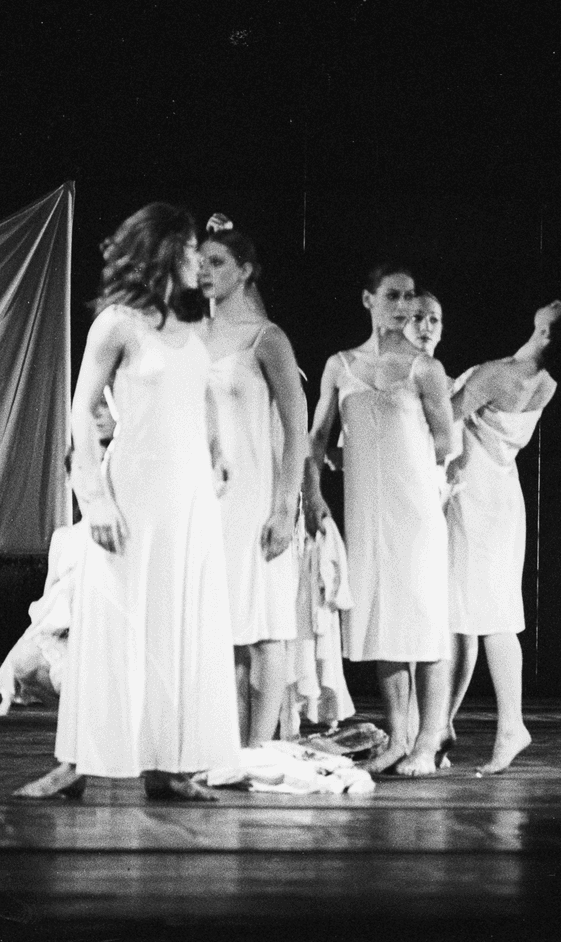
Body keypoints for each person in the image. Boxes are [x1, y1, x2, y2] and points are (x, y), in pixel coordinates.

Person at [15, 203, 240, 801]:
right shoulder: (118, 323)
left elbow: (202, 391)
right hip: (134, 490)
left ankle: (173, 764)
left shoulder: (193, 324)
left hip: (189, 495)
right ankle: (77, 762)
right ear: (165, 250)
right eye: (191, 249)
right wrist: (97, 501)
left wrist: (217, 446)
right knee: (116, 623)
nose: (198, 261)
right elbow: (81, 414)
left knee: (179, 624)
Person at [303, 265, 455, 777]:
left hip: (413, 510)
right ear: (368, 299)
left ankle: (428, 741)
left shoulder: (423, 369)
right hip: (367, 510)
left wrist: (395, 457)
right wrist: (317, 491)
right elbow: (318, 437)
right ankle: (398, 735)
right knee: (381, 620)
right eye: (392, 295)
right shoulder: (340, 365)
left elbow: (444, 443)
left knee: (425, 621)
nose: (403, 304)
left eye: (410, 295)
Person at [445, 302, 561, 773]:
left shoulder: (501, 374)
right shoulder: (546, 381)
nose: (557, 299)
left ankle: (511, 725)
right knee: (468, 612)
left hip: (474, 494)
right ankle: (443, 723)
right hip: (499, 493)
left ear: (547, 331)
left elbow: (439, 420)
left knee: (488, 614)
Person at [198, 214, 309, 747]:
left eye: (216, 261)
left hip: (257, 498)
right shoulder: (191, 336)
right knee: (222, 630)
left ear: (244, 270)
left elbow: (296, 426)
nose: (204, 270)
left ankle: (261, 748)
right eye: (199, 261)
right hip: (209, 500)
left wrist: (285, 507)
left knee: (265, 626)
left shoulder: (267, 337)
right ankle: (226, 742)